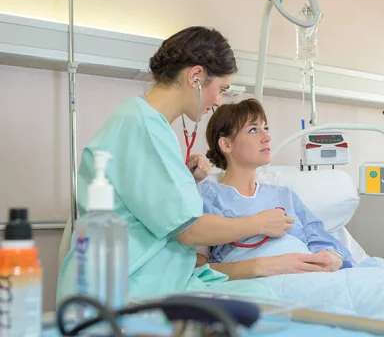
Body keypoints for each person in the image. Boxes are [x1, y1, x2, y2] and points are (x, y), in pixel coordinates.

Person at [57, 27, 294, 302]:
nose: (218, 101)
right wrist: (259, 223)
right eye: (221, 89)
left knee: (261, 296)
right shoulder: (142, 125)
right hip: (128, 284)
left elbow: (148, 202)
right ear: (196, 76)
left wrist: (187, 181)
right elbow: (189, 230)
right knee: (261, 304)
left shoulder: (144, 122)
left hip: (157, 275)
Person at [195, 99, 357, 280]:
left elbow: (324, 243)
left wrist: (334, 259)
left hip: (312, 275)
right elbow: (196, 270)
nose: (267, 137)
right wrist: (265, 264)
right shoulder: (205, 196)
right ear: (226, 145)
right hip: (261, 282)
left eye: (266, 128)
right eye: (253, 130)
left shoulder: (285, 196)